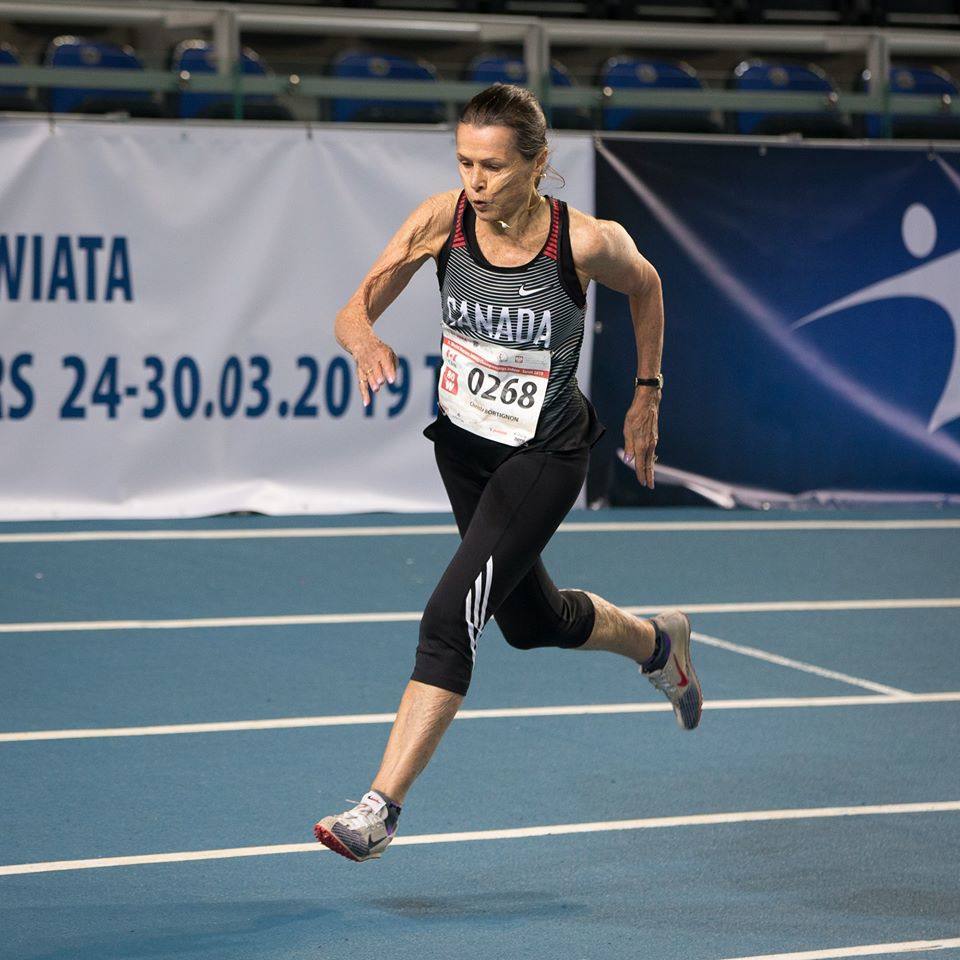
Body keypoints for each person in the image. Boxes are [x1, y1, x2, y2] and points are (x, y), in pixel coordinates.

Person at [313, 83, 701, 863]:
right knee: (532, 623)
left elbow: (649, 286)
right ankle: (659, 644)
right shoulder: (440, 221)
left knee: (451, 613)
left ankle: (379, 809)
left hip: (544, 452)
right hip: (463, 449)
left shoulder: (584, 242)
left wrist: (647, 394)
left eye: (492, 166)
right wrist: (362, 341)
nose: (475, 181)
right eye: (464, 162)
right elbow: (354, 307)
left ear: (536, 163)